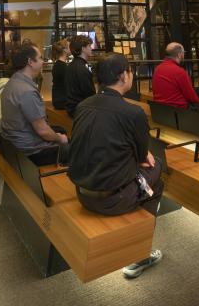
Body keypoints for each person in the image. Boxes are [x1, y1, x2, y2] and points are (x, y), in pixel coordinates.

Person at [67, 52, 164, 279]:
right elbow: (142, 156)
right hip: (112, 200)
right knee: (157, 169)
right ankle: (139, 253)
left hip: (82, 193)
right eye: (130, 71)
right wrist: (143, 155)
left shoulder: (83, 106)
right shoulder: (133, 112)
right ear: (123, 76)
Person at [0, 43, 70, 166]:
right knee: (78, 149)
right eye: (40, 58)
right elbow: (43, 131)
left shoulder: (12, 82)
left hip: (15, 145)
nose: (43, 62)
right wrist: (60, 138)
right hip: (31, 152)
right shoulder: (27, 91)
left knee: (60, 130)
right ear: (30, 62)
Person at [152, 42, 199, 116]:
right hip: (178, 112)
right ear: (179, 54)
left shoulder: (157, 69)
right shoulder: (179, 71)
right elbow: (191, 97)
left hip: (160, 110)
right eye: (183, 53)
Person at [65, 34, 96, 118]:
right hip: (80, 110)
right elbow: (90, 95)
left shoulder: (71, 65)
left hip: (73, 108)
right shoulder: (82, 68)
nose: (91, 48)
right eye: (89, 46)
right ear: (83, 48)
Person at [51, 38, 70, 109]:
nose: (71, 48)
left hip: (58, 99)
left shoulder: (58, 64)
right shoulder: (62, 66)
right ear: (65, 50)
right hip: (61, 101)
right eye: (69, 46)